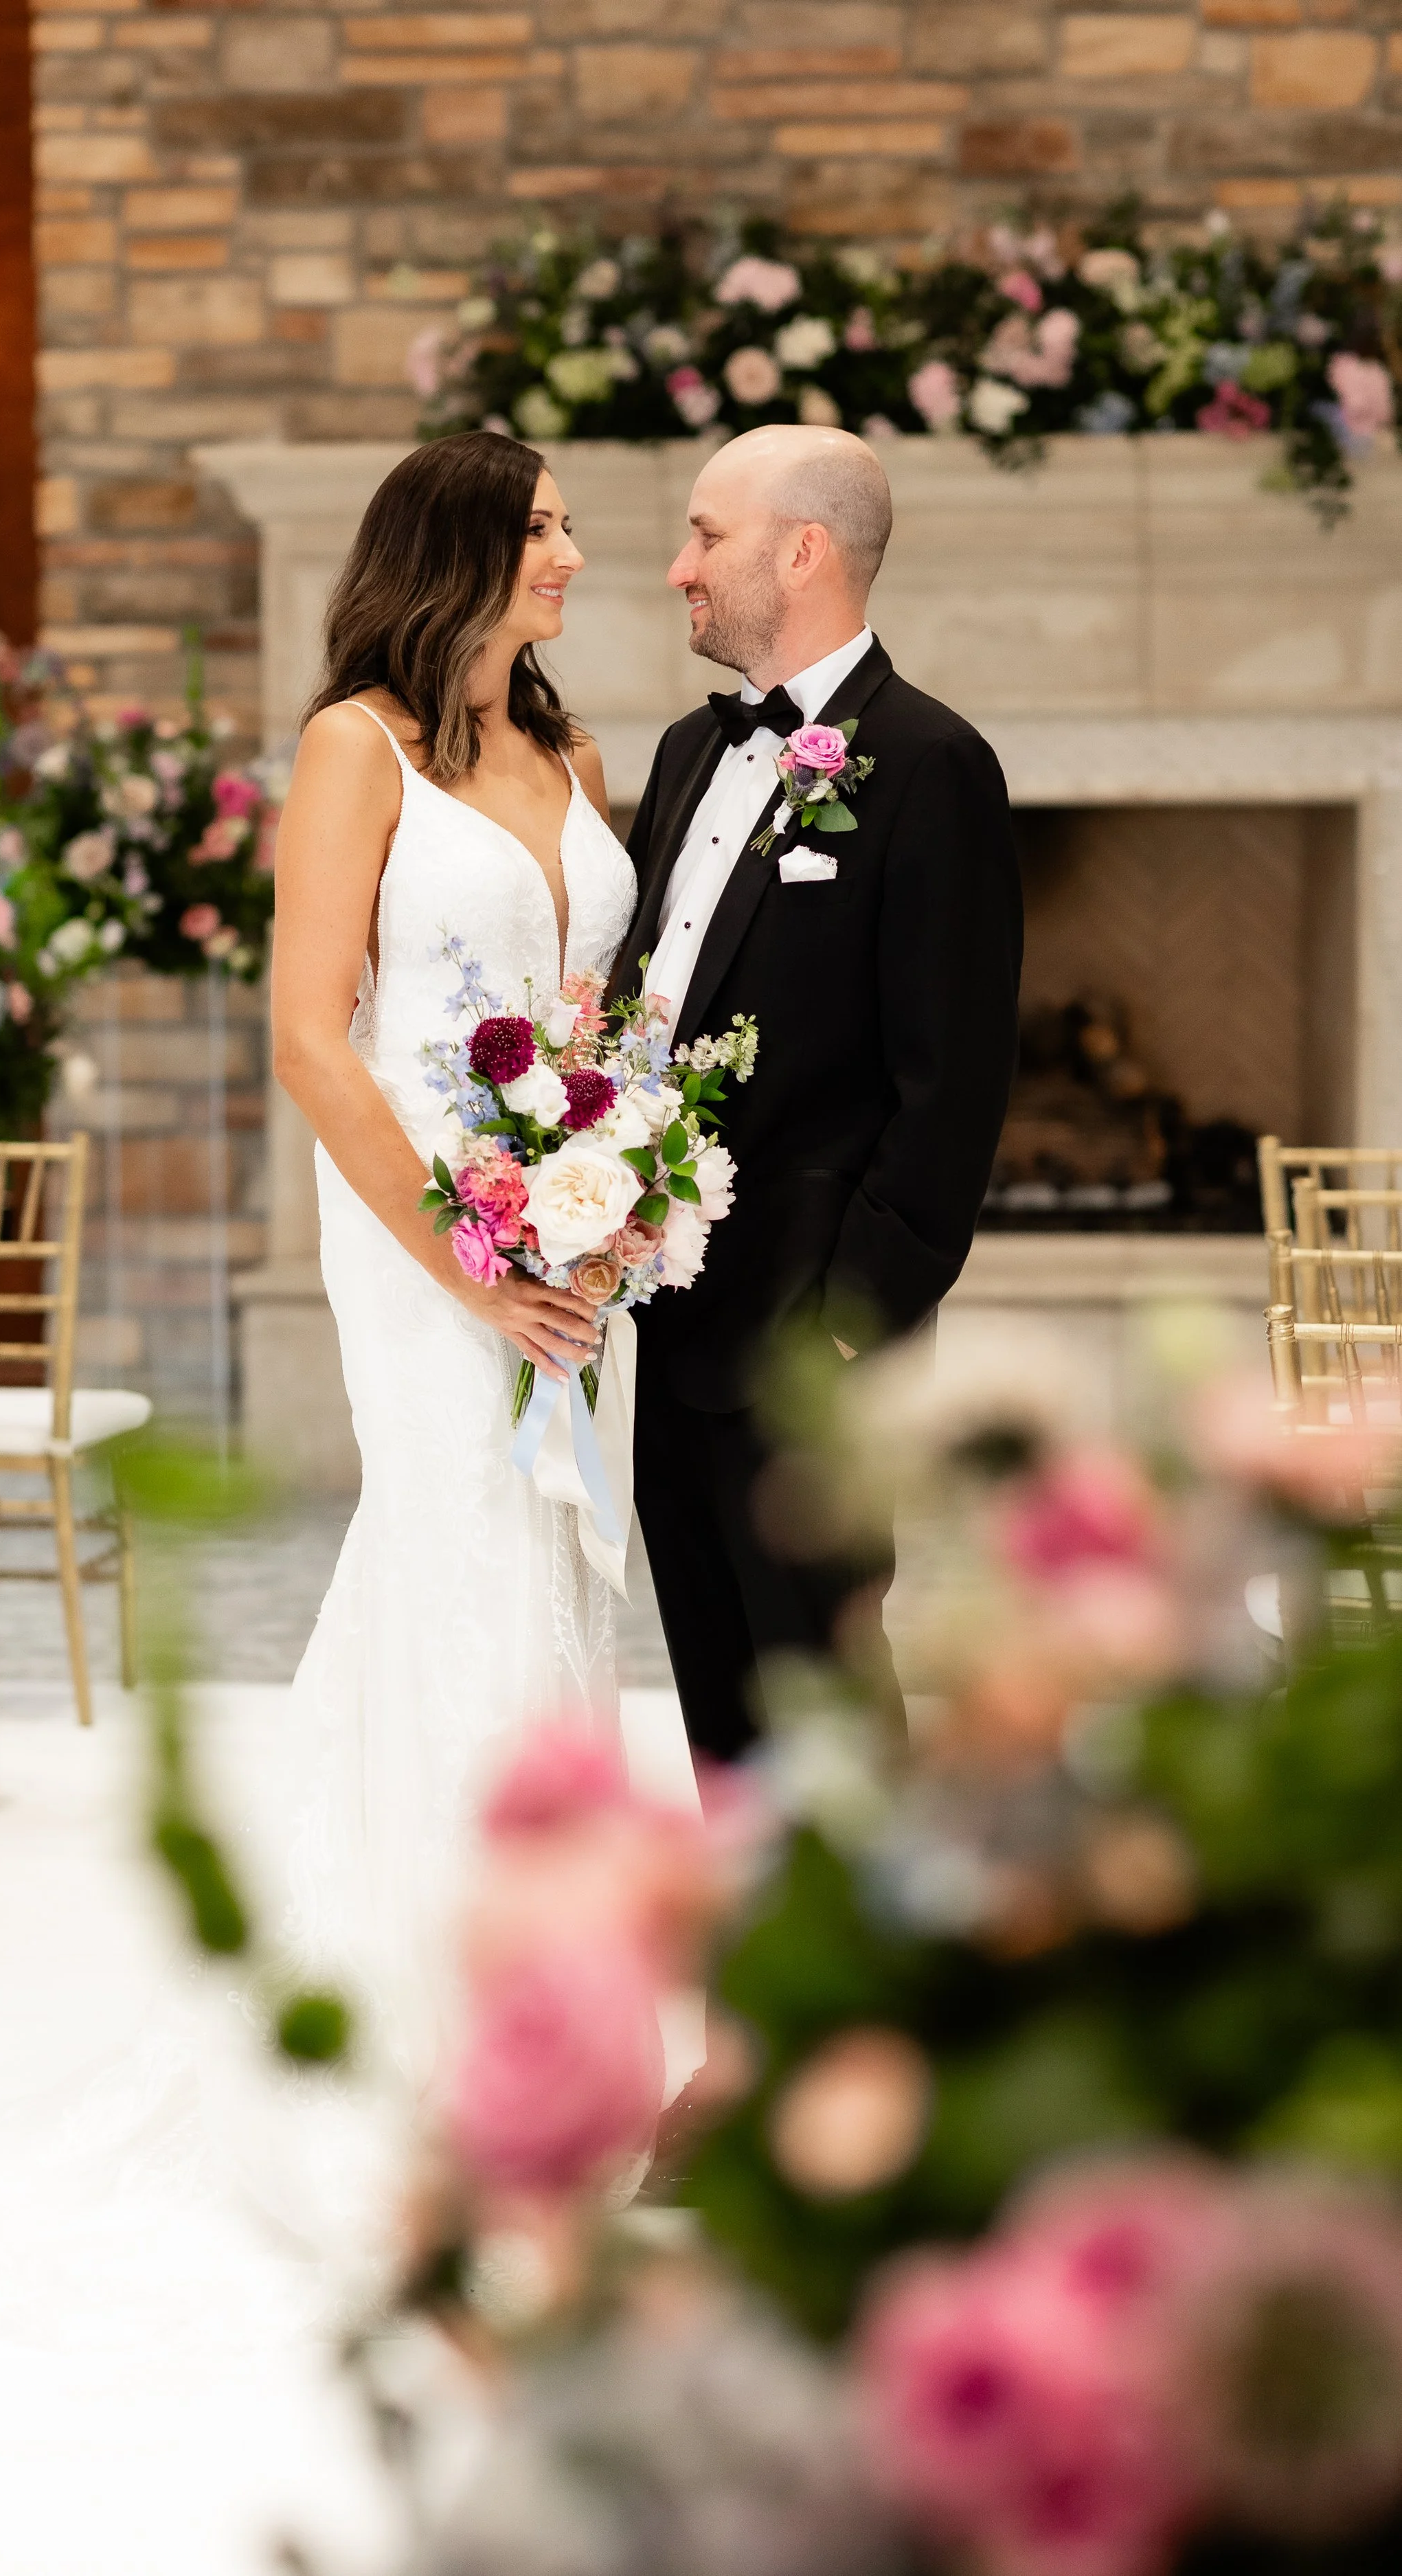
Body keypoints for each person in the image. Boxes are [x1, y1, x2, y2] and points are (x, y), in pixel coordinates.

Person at [267, 431, 674, 2090]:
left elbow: (598, 1023)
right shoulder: (354, 749)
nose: (573, 556)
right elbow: (309, 1038)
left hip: (570, 1233)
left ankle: (552, 2001)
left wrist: (616, 1185)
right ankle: (450, 2046)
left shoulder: (568, 750)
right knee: (459, 1546)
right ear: (455, 555)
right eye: (541, 531)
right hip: (420, 1229)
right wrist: (464, 1255)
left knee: (557, 1576)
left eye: (568, 528)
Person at [611, 425, 1024, 1763]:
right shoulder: (684, 754)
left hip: (807, 1356)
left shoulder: (928, 766)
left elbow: (949, 1086)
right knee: (717, 1707)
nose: (678, 568)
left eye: (704, 535)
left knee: (826, 1712)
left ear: (802, 551)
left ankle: (874, 1969)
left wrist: (842, 1333)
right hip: (668, 1324)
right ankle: (752, 1967)